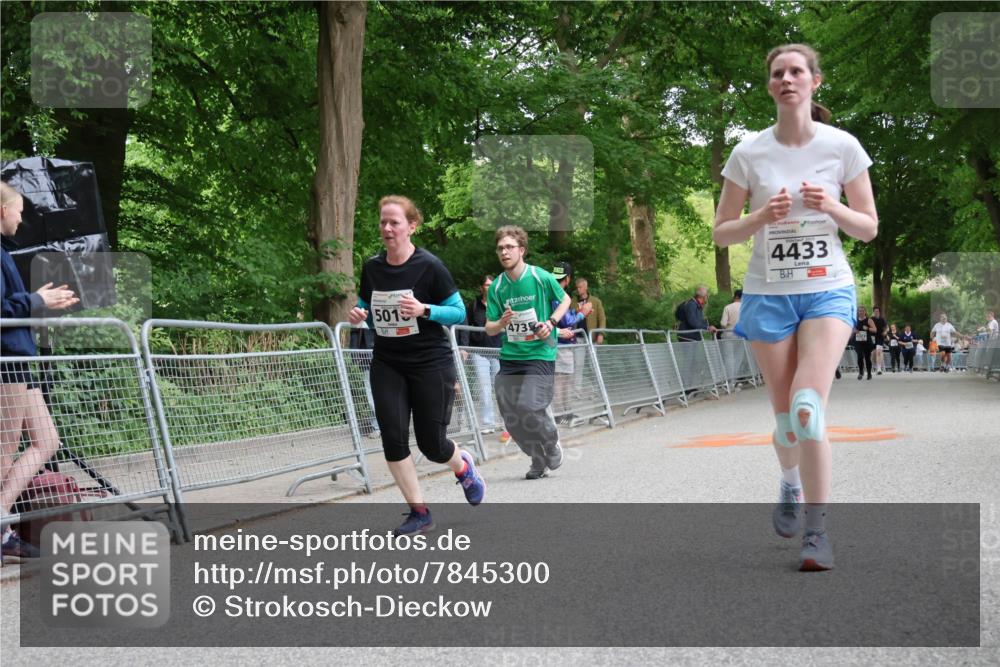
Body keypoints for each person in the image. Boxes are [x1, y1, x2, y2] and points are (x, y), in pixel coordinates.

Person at [713, 44, 878, 571]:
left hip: (827, 288)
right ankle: (788, 481)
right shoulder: (749, 153)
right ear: (770, 86)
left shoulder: (842, 147)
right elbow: (721, 231)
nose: (788, 78)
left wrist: (831, 205)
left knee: (808, 409)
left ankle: (817, 531)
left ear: (814, 82)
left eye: (797, 71)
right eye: (778, 73)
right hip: (767, 294)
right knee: (786, 422)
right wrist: (761, 216)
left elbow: (869, 227)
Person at [347, 195, 484, 536]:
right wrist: (358, 314)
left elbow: (459, 312)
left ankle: (463, 466)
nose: (387, 228)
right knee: (393, 438)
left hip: (430, 362)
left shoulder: (430, 266)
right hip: (388, 362)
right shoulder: (373, 267)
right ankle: (419, 512)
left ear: (412, 226)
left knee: (432, 444)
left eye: (394, 222)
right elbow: (366, 303)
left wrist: (425, 310)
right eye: (383, 222)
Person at [1, 181, 79, 562]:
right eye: (18, 210)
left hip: (19, 358)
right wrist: (37, 299)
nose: (21, 218)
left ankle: (1, 517)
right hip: (7, 361)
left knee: (47, 440)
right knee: (3, 450)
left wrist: (41, 303)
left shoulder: (3, 251)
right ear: (2, 211)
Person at [484, 225, 571, 480]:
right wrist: (501, 323)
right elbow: (489, 328)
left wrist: (551, 323)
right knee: (511, 416)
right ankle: (537, 457)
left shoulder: (539, 276)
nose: (504, 252)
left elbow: (565, 299)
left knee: (529, 406)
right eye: (500, 248)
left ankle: (551, 442)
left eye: (509, 247)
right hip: (511, 358)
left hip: (539, 354)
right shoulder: (497, 287)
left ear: (521, 250)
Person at [457, 274, 503, 435]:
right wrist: (464, 347)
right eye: (486, 285)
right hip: (478, 351)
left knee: (500, 388)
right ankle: (487, 422)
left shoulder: (500, 303)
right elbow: (465, 326)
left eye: (492, 285)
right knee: (484, 388)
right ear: (481, 287)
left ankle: (502, 421)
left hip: (497, 351)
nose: (489, 288)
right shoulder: (473, 306)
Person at [551, 262, 592, 425]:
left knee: (560, 379)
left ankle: (562, 413)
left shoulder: (550, 292)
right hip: (562, 344)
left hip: (554, 343)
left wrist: (577, 311)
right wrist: (583, 313)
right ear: (567, 279)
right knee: (563, 380)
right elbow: (566, 321)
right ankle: (563, 414)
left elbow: (563, 315)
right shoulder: (559, 294)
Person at [571, 277, 606, 344]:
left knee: (592, 354)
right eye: (577, 288)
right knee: (578, 355)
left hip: (591, 337)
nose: (578, 289)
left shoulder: (596, 302)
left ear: (585, 287)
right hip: (577, 337)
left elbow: (602, 319)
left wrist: (601, 334)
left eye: (580, 287)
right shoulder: (572, 302)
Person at [854, 306, 876, 381]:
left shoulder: (869, 320)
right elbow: (851, 329)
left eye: (863, 311)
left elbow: (875, 330)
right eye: (860, 311)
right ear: (858, 312)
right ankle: (861, 372)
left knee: (867, 358)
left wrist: (868, 328)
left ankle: (869, 373)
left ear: (865, 312)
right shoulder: (855, 320)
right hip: (858, 342)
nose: (861, 312)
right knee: (860, 356)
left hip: (867, 342)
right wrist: (854, 330)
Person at [870, 306, 887, 375]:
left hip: (880, 337)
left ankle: (879, 369)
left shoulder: (882, 319)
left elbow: (887, 328)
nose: (876, 312)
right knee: (874, 354)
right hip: (873, 338)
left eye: (878, 311)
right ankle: (875, 366)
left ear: (879, 312)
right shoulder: (871, 319)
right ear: (873, 312)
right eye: (875, 311)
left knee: (878, 352)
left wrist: (885, 332)